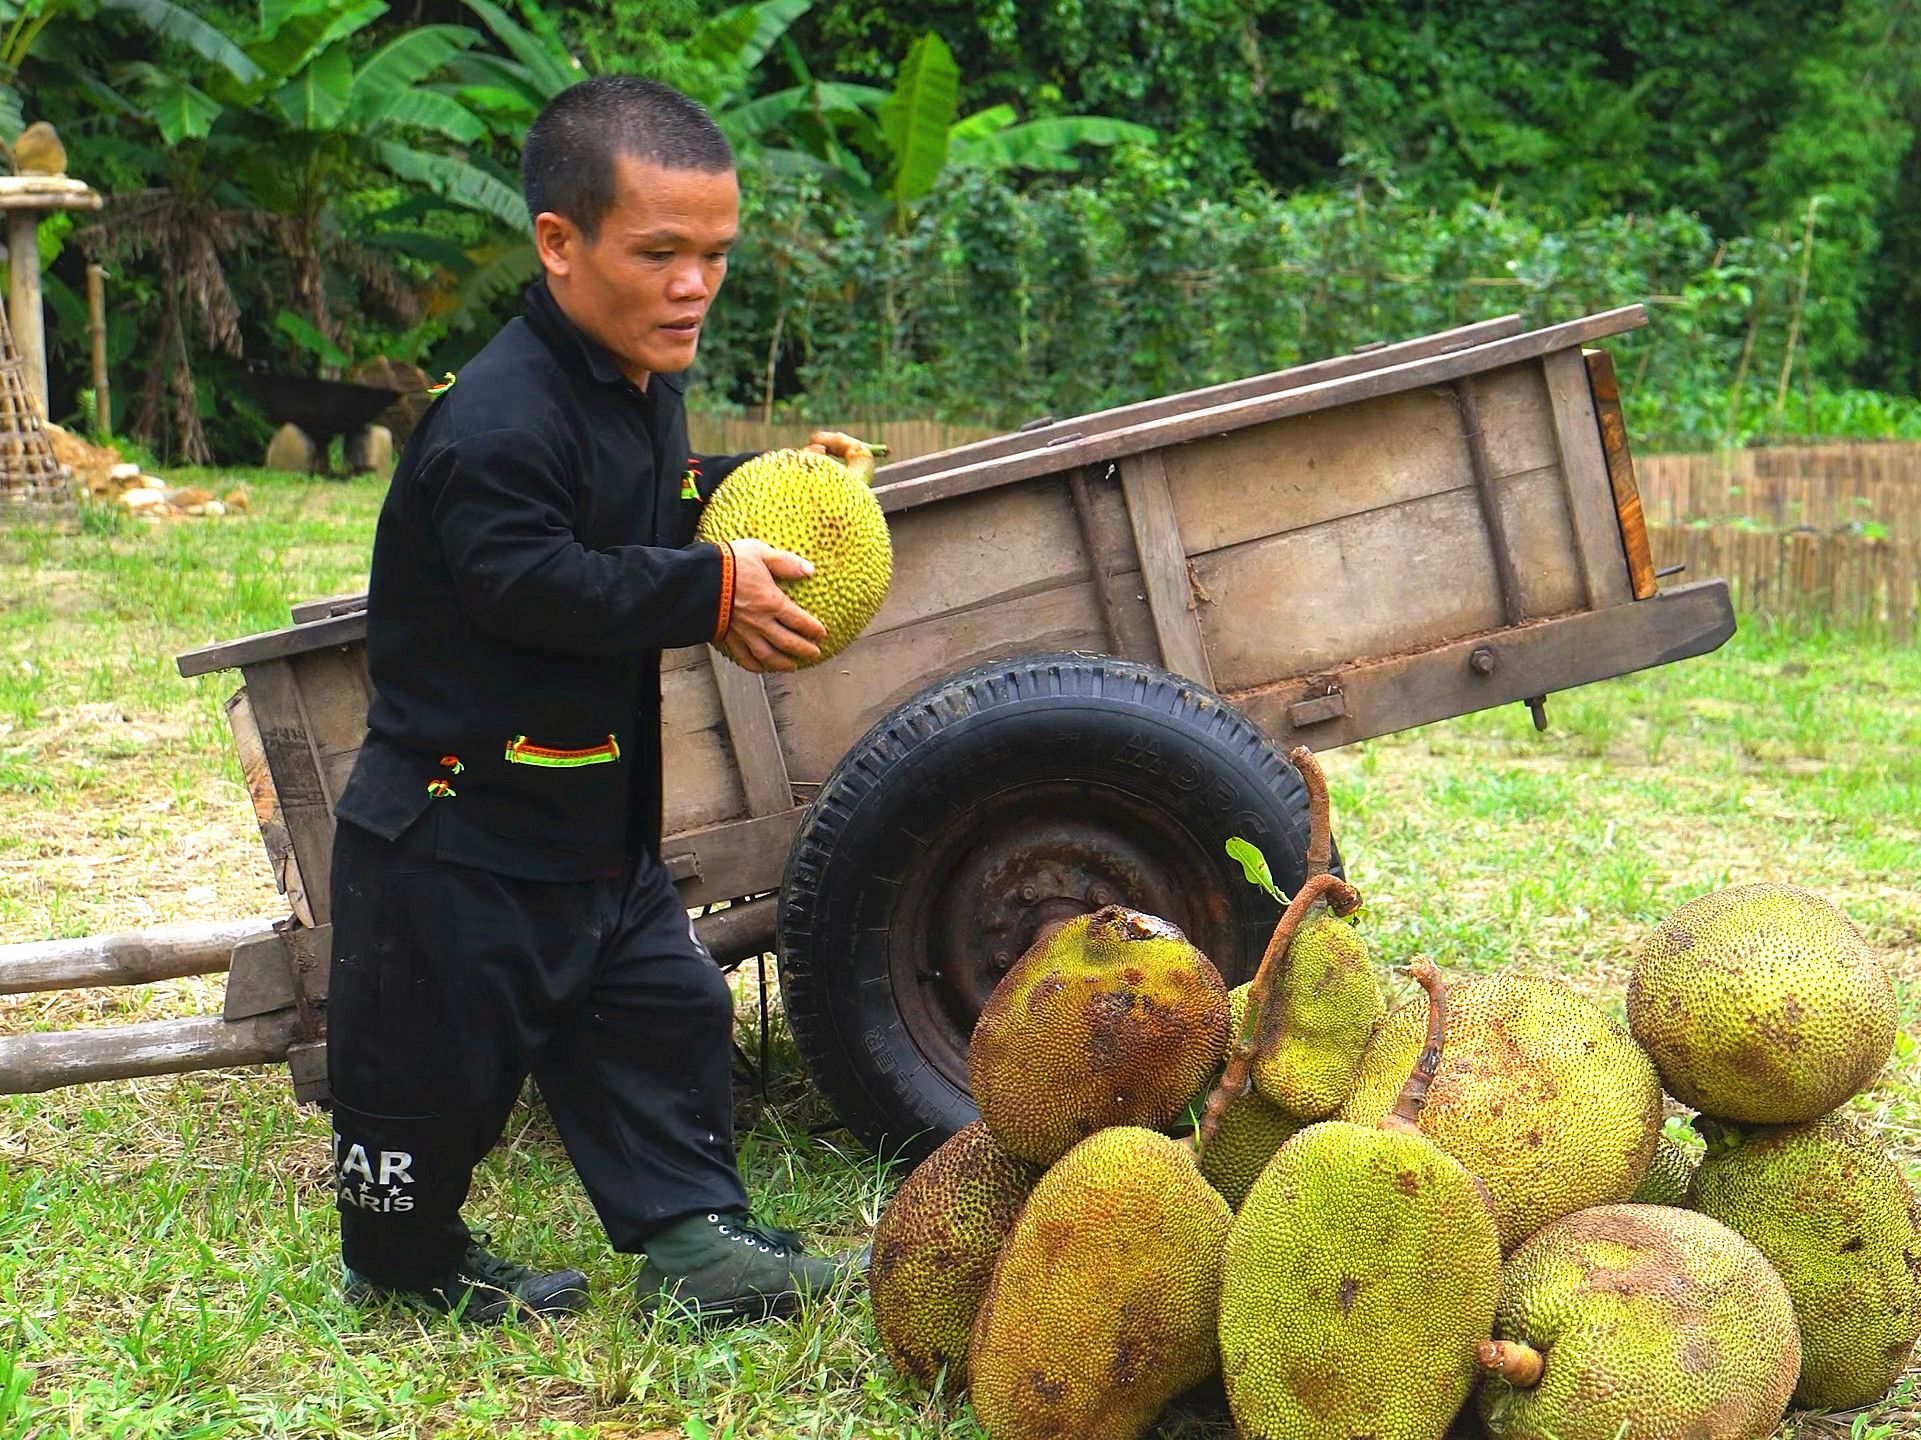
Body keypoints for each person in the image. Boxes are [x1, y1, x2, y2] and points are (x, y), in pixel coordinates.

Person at [324, 74, 866, 1326]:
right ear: (558, 245)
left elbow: (653, 504)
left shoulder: (634, 382)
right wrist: (709, 590)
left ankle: (694, 1244)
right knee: (429, 1069)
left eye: (715, 256)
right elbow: (529, 582)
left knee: (662, 1010)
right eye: (661, 253)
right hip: (455, 829)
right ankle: (405, 1271)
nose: (694, 286)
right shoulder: (495, 424)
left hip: (584, 810)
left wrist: (769, 479)